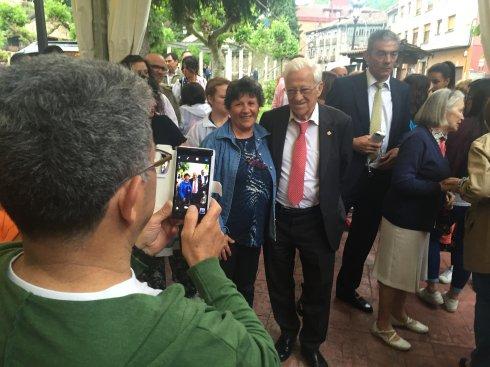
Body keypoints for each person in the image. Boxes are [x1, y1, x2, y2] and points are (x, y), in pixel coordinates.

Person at [0, 55, 280, 366]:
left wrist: (137, 251)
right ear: (131, 197)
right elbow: (262, 355)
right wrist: (206, 266)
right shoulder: (189, 335)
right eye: (157, 165)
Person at [260, 57, 353, 367]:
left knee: (318, 284)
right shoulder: (271, 121)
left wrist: (334, 208)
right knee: (278, 280)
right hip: (279, 217)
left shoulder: (338, 123)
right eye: (291, 90)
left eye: (305, 89)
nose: (298, 97)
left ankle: (312, 343)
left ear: (319, 88)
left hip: (317, 218)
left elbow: (342, 171)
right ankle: (288, 332)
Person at [371, 89, 464, 351]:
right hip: (403, 220)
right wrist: (439, 187)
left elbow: (426, 176)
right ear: (442, 110)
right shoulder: (418, 139)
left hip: (418, 219)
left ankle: (398, 315)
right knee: (392, 274)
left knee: (406, 273)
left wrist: (441, 192)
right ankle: (381, 324)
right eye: (459, 109)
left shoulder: (434, 139)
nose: (463, 116)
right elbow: (403, 181)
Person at [326, 30, 411, 313]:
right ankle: (315, 288)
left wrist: (398, 149)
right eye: (381, 53)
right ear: (367, 55)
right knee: (328, 233)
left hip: (379, 177)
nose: (388, 60)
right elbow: (326, 131)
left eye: (393, 54)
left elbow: (403, 132)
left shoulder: (403, 91)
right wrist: (350, 143)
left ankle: (347, 289)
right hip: (346, 174)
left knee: (363, 237)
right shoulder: (344, 87)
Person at [202, 77, 275, 308]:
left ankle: (243, 337)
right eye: (239, 104)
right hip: (225, 235)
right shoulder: (214, 141)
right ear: (229, 108)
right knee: (222, 292)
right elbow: (204, 192)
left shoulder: (265, 138)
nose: (246, 110)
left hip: (253, 233)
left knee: (246, 289)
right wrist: (217, 230)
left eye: (252, 103)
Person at [418, 79, 490, 311]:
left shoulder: (464, 127)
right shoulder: (483, 129)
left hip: (454, 191)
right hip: (476, 205)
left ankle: (431, 289)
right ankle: (454, 296)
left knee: (434, 236)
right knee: (465, 247)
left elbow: (448, 159)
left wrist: (452, 185)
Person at [447, 104, 490, 367]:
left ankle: (482, 360)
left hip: (487, 237)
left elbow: (481, 187)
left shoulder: (484, 145)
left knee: (486, 301)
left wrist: (462, 184)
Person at [120, 55, 179, 126]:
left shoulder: (162, 98)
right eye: (155, 67)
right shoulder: (118, 100)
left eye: (146, 72)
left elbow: (174, 127)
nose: (144, 76)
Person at [186, 77, 230, 147]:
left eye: (231, 96)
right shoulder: (198, 130)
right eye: (224, 97)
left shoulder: (239, 125)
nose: (229, 100)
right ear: (210, 99)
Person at [145, 53, 181, 124]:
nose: (160, 72)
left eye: (163, 69)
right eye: (155, 67)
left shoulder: (167, 94)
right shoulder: (134, 91)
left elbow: (175, 122)